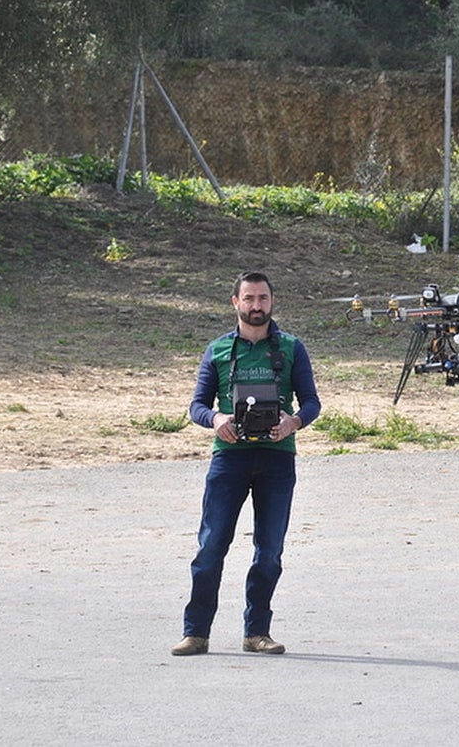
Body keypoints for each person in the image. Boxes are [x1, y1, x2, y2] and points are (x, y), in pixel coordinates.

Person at [171, 271, 321, 656]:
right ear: (235, 302)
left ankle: (257, 632)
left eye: (263, 299)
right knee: (210, 548)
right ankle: (196, 633)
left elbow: (311, 402)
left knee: (269, 550)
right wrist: (217, 420)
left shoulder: (291, 348)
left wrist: (293, 421)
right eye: (249, 298)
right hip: (229, 460)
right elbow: (197, 405)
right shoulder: (218, 350)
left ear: (272, 302)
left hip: (277, 458)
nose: (257, 306)